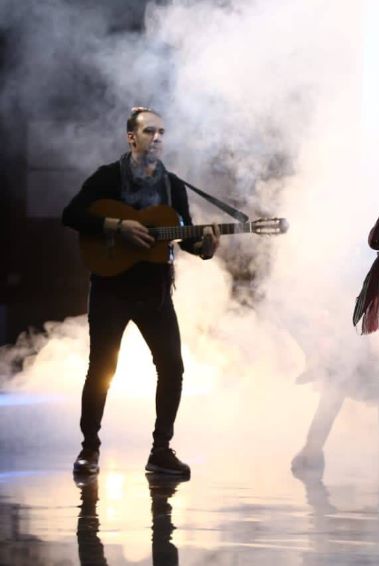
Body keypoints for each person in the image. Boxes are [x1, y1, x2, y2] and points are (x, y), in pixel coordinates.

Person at [62, 107, 219, 478]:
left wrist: (205, 247)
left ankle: (161, 451)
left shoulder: (173, 185)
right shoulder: (108, 177)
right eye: (149, 131)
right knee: (102, 367)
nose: (157, 138)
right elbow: (71, 215)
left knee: (172, 367)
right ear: (131, 137)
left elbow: (184, 236)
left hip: (155, 291)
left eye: (162, 132)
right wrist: (118, 226)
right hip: (111, 288)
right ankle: (89, 449)